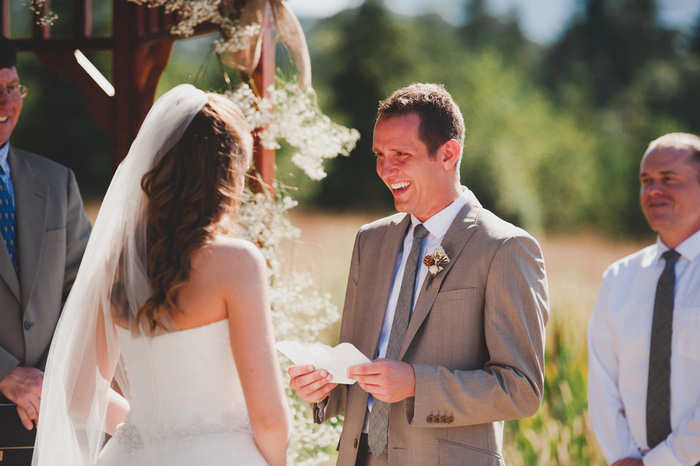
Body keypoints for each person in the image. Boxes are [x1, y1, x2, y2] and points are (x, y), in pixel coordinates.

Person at [289, 83, 549, 466]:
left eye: (401, 154)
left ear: (448, 153)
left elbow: (522, 390)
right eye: (379, 154)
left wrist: (416, 383)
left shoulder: (505, 248)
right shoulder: (370, 241)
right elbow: (362, 363)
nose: (385, 168)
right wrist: (324, 387)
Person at [31, 84, 289, 466]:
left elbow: (80, 388)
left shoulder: (117, 266)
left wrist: (150, 429)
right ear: (228, 173)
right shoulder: (237, 263)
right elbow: (269, 419)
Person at [0, 34, 92, 464]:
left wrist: (52, 376)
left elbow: (85, 288)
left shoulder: (57, 182)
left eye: (12, 87)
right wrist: (6, 372)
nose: (5, 103)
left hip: (48, 411)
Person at [588, 132, 700, 466]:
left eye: (669, 179)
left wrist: (665, 461)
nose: (653, 190)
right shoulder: (618, 279)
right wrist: (625, 457)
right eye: (646, 180)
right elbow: (603, 382)